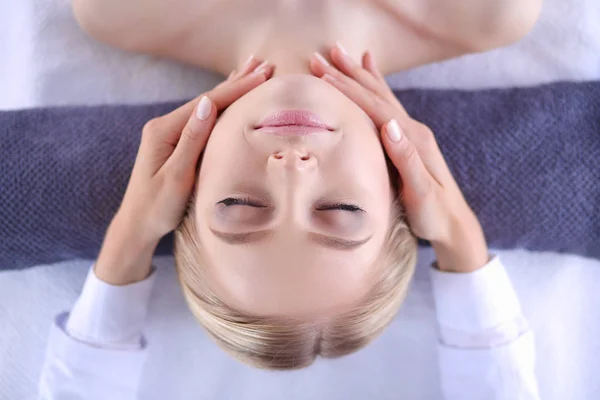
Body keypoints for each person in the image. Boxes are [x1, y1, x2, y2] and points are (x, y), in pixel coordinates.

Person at [40, 0, 542, 398]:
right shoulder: (488, 11)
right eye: (339, 211)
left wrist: (133, 228)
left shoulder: (121, 10)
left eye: (241, 207)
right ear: (401, 191)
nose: (291, 173)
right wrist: (459, 232)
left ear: (186, 185)